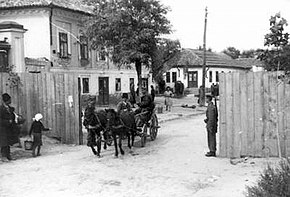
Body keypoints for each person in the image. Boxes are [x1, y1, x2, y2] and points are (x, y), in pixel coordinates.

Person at [0, 93, 15, 162]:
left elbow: (12, 116)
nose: (10, 101)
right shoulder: (1, 109)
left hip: (9, 128)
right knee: (3, 142)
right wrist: (7, 121)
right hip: (2, 128)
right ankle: (3, 156)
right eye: (9, 100)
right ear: (6, 100)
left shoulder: (9, 108)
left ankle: (8, 155)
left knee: (8, 142)